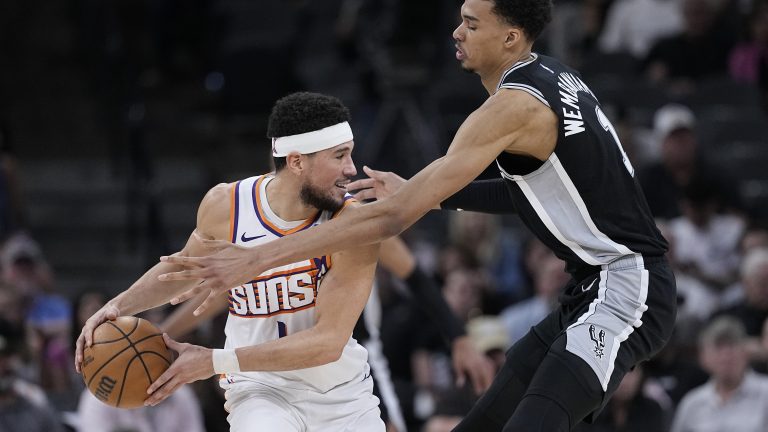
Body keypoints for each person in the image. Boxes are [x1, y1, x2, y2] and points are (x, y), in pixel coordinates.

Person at [158, 0, 677, 430]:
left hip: (626, 290)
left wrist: (259, 258)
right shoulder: (553, 76)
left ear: (511, 37)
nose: (457, 31)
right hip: (588, 290)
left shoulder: (511, 108)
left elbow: (390, 220)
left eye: (472, 23)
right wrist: (436, 194)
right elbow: (531, 194)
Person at [75, 92, 388, 432]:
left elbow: (327, 343)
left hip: (340, 396)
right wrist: (117, 306)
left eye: (350, 154)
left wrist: (214, 361)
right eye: (339, 155)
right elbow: (184, 268)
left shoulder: (353, 225)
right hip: (260, 390)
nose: (351, 169)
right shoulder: (228, 205)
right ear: (297, 161)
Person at [670, 317, 768, 432]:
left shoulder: (765, 392)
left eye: (732, 345)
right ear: (704, 357)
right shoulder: (692, 403)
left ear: (745, 351)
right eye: (718, 347)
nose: (726, 356)